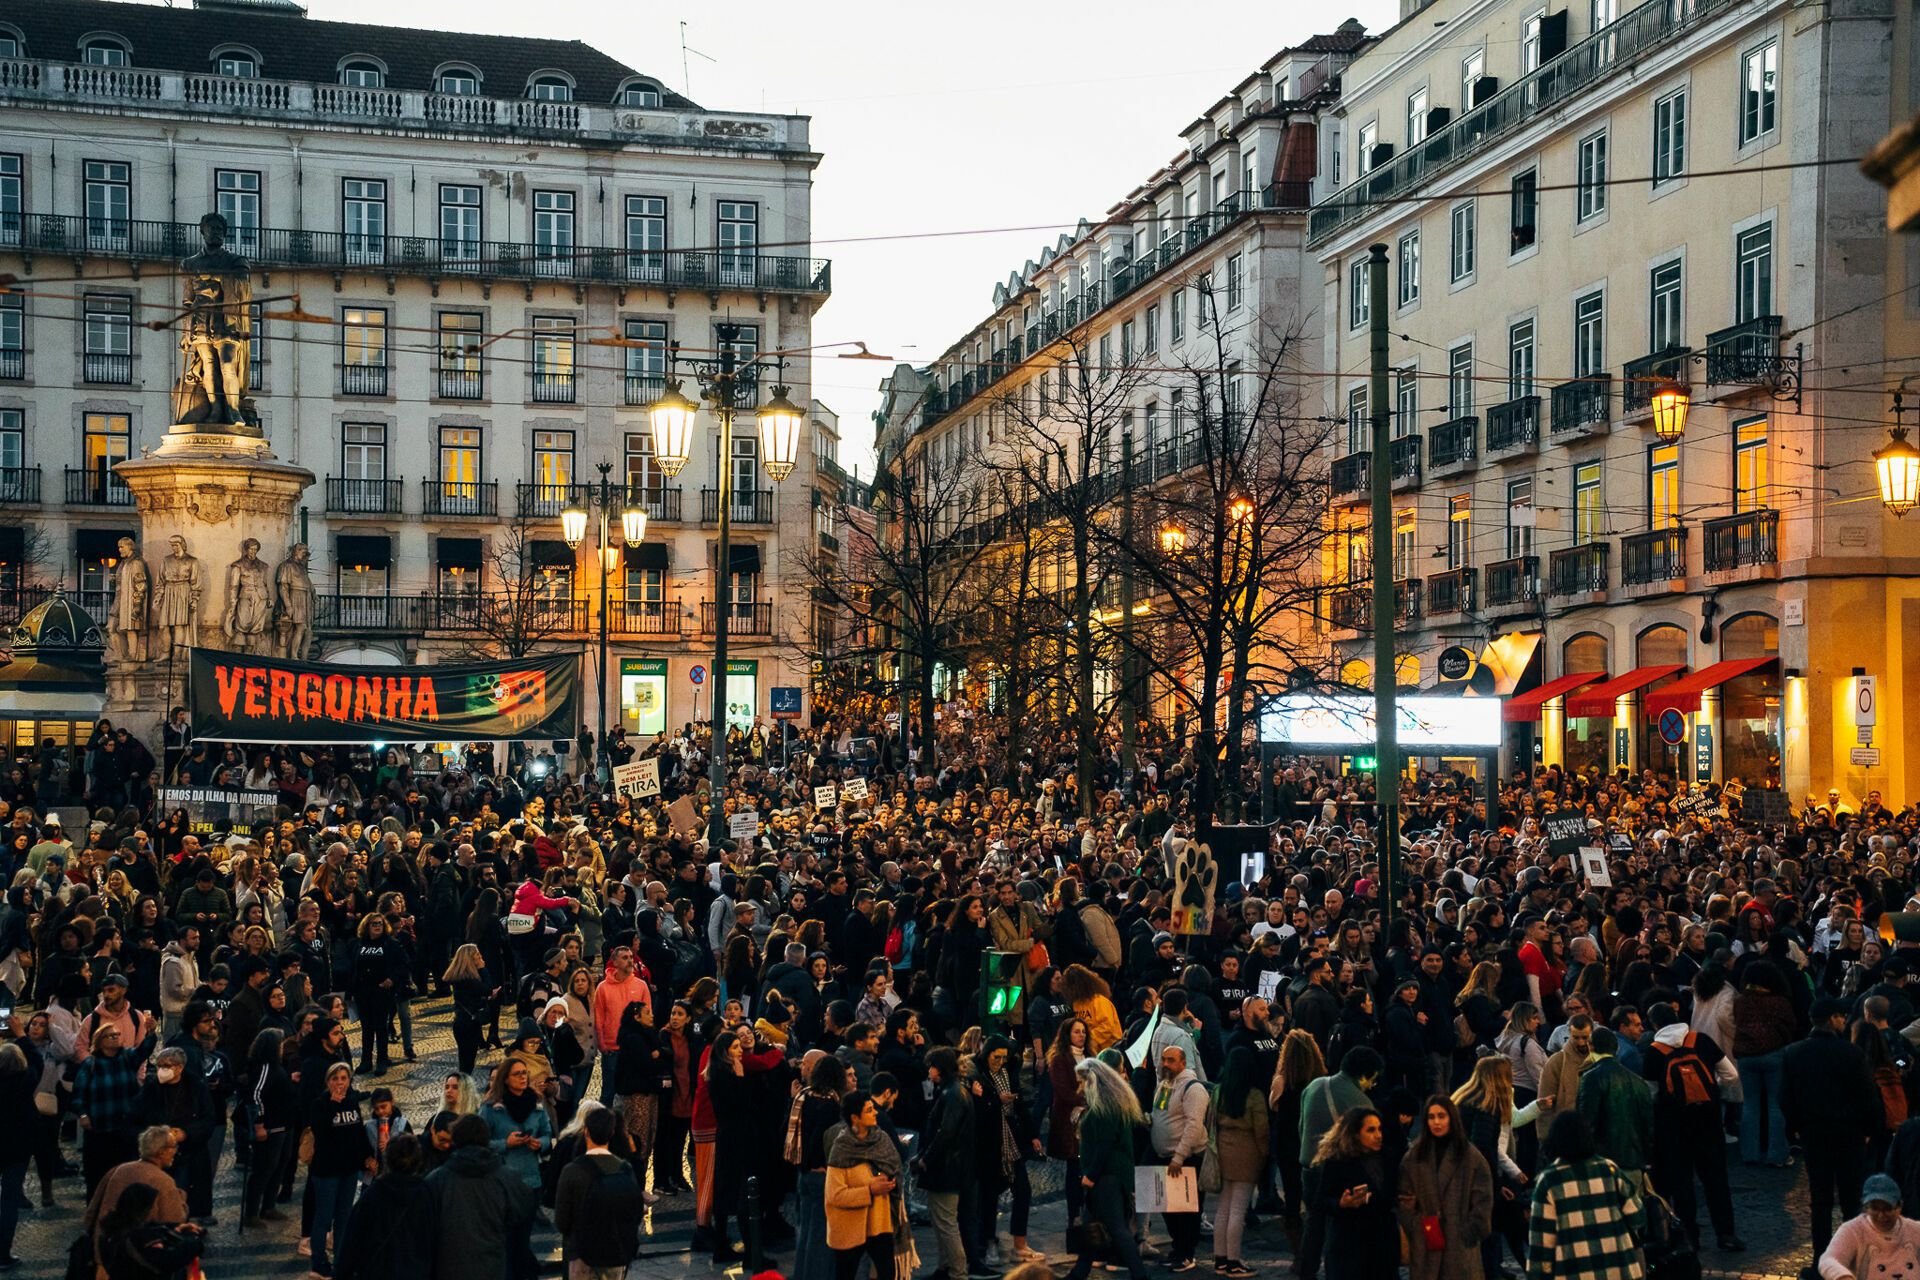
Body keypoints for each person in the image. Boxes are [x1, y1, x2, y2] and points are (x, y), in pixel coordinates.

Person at [1641, 1001, 1743, 1251]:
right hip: (1708, 1122)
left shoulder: (1653, 1051)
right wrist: (1712, 1092)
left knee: (1682, 1182)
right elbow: (1730, 1074)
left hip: (1673, 1126)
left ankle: (1689, 1236)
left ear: (1653, 1024)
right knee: (1716, 1179)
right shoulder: (1701, 1040)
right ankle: (1726, 1234)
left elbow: (1651, 1092)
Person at [1785, 997, 1881, 1259]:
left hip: (1814, 1133)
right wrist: (1870, 1129)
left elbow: (1786, 1097)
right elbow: (1867, 1095)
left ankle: (1821, 1255)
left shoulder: (1794, 1053)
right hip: (1849, 1134)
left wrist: (1794, 1127)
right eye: (1840, 1017)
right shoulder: (1850, 1053)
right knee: (1851, 1197)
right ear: (1831, 1020)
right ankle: (1853, 1253)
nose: (1843, 1021)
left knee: (1820, 1197)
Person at [1525, 1112, 1644, 1280]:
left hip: (1574, 1271)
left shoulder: (1549, 1181)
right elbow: (1637, 1216)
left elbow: (1541, 1244)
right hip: (1618, 1269)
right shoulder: (1609, 1170)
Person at [1297, 1044, 1382, 1280]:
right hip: (1337, 1172)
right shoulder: (1362, 1102)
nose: (1373, 1085)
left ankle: (1307, 1270)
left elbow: (1301, 1127)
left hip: (1309, 1167)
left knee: (1313, 1225)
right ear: (1363, 1075)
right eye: (1372, 1079)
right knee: (1339, 1229)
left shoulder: (1314, 1085)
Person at [1062, 1057, 1149, 1280]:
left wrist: (1090, 1176)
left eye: (1083, 1081)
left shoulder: (1103, 1110)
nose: (1080, 1086)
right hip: (1111, 1176)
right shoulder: (1113, 1106)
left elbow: (1104, 1146)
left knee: (1117, 1229)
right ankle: (1079, 1273)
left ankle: (1140, 1275)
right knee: (1091, 1226)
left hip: (1106, 1178)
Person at [426, 1113, 540, 1280]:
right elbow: (523, 1214)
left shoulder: (436, 1181)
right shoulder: (508, 1179)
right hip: (493, 1266)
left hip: (450, 1268)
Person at [1396, 1095, 1492, 1280]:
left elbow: (1483, 1200)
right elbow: (1404, 1200)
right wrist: (1417, 1227)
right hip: (1427, 1240)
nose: (1436, 1122)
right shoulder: (1413, 1158)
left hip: (1460, 1247)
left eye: (1441, 1116)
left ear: (1451, 1118)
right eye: (1431, 1117)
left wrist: (1469, 1231)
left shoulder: (1471, 1157)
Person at [826, 1089, 912, 1280]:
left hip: (880, 1223)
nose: (875, 1113)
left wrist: (891, 1181)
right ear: (855, 1118)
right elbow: (835, 1195)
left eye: (873, 1109)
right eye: (869, 1110)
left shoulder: (882, 1140)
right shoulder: (841, 1148)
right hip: (849, 1228)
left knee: (888, 1274)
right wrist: (869, 1190)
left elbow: (895, 1169)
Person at [552, 1105, 643, 1280]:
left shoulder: (572, 1170)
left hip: (581, 1252)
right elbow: (635, 1211)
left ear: (585, 1131)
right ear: (611, 1133)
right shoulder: (625, 1169)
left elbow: (562, 1220)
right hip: (614, 1253)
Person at [1312, 1107, 1397, 1280]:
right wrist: (1341, 1204)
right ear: (1356, 1134)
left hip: (1382, 1245)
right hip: (1349, 1246)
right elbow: (1320, 1201)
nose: (1378, 1135)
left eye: (1380, 1129)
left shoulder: (1388, 1158)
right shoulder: (1338, 1162)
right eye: (1371, 1130)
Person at [337, 1132, 437, 1280]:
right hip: (416, 1272)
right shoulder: (426, 1194)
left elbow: (351, 1243)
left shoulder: (372, 1196)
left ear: (388, 1161)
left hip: (378, 1271)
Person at [307, 1061, 374, 1280]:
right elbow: (321, 1131)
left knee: (344, 1218)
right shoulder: (320, 1104)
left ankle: (341, 1260)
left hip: (348, 1169)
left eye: (343, 1078)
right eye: (335, 1079)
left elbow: (357, 1131)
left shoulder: (352, 1102)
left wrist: (367, 1155)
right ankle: (319, 1263)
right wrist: (333, 1105)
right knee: (324, 1218)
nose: (339, 1083)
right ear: (328, 1082)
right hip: (326, 1171)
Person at [915, 1045, 976, 1280]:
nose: (928, 1071)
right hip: (952, 1168)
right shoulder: (954, 1091)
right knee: (943, 1222)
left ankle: (957, 1272)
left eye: (931, 1066)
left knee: (946, 1224)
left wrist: (925, 1159)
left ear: (939, 1069)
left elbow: (945, 1133)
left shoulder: (952, 1094)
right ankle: (945, 1267)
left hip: (947, 1170)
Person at [1150, 1042, 1210, 1273]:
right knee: (1170, 1209)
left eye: (1171, 1060)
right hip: (1165, 1157)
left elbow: (1194, 1126)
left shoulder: (1192, 1089)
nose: (1166, 1064)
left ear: (1183, 1063)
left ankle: (1187, 1253)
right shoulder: (1165, 1084)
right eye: (1164, 1059)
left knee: (1187, 1211)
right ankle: (1178, 1249)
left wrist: (1179, 1156)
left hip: (1186, 1159)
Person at [1212, 1045, 1270, 1277]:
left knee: (1224, 1207)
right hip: (1247, 1152)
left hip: (1223, 1150)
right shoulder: (1254, 1095)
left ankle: (1220, 1259)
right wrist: (1264, 1154)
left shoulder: (1219, 1091)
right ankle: (1234, 1261)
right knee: (1238, 1208)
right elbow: (1262, 1131)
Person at [1573, 1027, 1652, 1190]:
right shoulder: (1638, 1081)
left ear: (1591, 1046)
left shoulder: (1591, 1078)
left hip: (1603, 1164)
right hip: (1634, 1161)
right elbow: (1648, 1126)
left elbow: (1585, 1123)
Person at [1819, 1173, 1920, 1280]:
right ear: (1866, 1208)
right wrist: (1843, 1276)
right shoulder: (1852, 1230)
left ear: (1899, 1207)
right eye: (1875, 1209)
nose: (1881, 1215)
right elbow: (1828, 1260)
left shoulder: (1914, 1229)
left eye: (1887, 1209)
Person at [95, 1181, 204, 1280]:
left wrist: (176, 1230)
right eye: (153, 1206)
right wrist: (193, 1239)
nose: (156, 1209)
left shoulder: (111, 1232)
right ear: (143, 1209)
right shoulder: (138, 1238)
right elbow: (169, 1260)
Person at [0, 1042, 33, 1268]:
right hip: (16, 1151)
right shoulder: (26, 1082)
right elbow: (37, 1062)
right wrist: (23, 1038)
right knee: (9, 1202)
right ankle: (3, 1253)